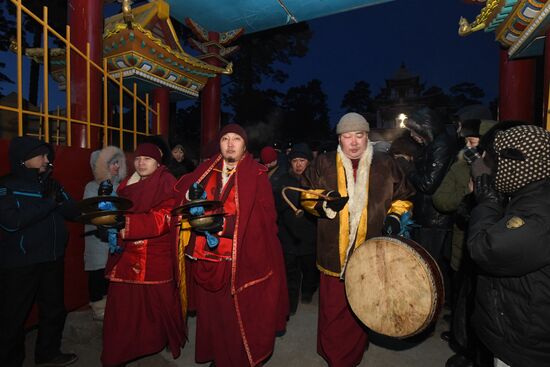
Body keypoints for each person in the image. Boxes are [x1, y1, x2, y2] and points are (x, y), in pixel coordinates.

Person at [300, 112, 415, 367]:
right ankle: (333, 356)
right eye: (347, 136)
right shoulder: (324, 163)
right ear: (339, 139)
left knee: (362, 306)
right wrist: (324, 202)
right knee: (332, 309)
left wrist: (395, 217)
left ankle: (352, 354)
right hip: (332, 250)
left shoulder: (386, 163)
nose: (353, 142)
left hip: (370, 250)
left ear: (367, 137)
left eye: (359, 135)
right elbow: (305, 194)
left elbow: (404, 197)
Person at [174, 124, 288, 367]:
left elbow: (266, 219)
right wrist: (189, 200)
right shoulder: (206, 170)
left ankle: (234, 360)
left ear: (245, 145)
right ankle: (217, 356)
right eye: (225, 138)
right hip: (205, 257)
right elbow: (181, 196)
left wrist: (223, 226)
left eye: (236, 139)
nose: (230, 143)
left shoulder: (256, 174)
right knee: (211, 316)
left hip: (237, 259)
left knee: (235, 317)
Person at [467, 125, 550, 367]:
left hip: (526, 342)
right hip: (519, 324)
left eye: (494, 160)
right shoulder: (531, 193)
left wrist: (488, 202)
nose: (490, 167)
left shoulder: (539, 216)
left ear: (516, 164)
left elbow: (484, 248)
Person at [101, 143, 185, 366]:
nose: (141, 162)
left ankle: (155, 342)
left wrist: (125, 224)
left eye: (147, 159)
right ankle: (119, 352)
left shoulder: (167, 182)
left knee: (157, 307)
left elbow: (164, 217)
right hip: (126, 254)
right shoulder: (128, 184)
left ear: (158, 163)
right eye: (138, 158)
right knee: (123, 309)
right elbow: (117, 211)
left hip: (154, 255)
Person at [0, 136, 79, 367]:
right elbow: (12, 222)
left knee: (54, 310)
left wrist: (62, 198)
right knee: (12, 317)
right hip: (20, 263)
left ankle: (48, 354)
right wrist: (49, 203)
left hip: (52, 258)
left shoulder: (49, 183)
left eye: (47, 155)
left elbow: (73, 212)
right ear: (24, 160)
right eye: (41, 155)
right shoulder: (6, 186)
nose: (47, 160)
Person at [432, 119, 496, 367]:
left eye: (477, 144)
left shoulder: (505, 170)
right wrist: (467, 196)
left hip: (495, 251)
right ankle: (465, 348)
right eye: (469, 143)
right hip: (464, 246)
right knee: (463, 301)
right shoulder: (460, 167)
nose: (472, 150)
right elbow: (442, 199)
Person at [405, 107, 459, 306]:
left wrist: (409, 170)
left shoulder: (440, 145)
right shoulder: (435, 144)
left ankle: (431, 304)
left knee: (430, 264)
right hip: (429, 215)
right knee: (432, 263)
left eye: (414, 131)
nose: (412, 136)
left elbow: (428, 184)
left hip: (434, 218)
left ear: (425, 128)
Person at [82, 146, 127, 321]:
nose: (116, 166)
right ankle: (98, 306)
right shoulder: (92, 187)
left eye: (118, 162)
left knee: (114, 272)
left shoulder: (123, 186)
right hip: (98, 238)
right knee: (98, 271)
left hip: (119, 237)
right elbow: (90, 211)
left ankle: (114, 306)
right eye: (111, 163)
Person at [276, 143, 318, 315]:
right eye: (295, 161)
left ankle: (307, 292)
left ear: (308, 162)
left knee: (310, 271)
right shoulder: (282, 181)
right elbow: (275, 208)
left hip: (310, 236)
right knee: (290, 275)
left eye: (302, 160)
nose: (299, 164)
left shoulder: (316, 181)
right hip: (288, 236)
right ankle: (290, 306)